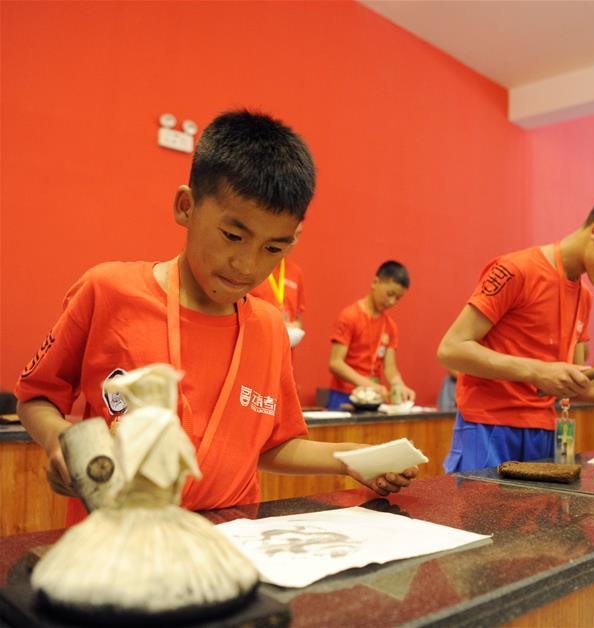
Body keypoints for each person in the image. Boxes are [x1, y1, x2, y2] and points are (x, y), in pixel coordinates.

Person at [15, 110, 416, 526]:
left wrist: (353, 458)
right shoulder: (108, 292)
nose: (247, 265)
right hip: (119, 540)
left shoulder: (270, 328)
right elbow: (36, 397)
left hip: (227, 542)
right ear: (186, 206)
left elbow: (272, 445)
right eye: (233, 236)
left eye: (273, 249)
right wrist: (61, 441)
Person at [437, 181, 594, 472]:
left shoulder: (583, 297)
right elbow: (451, 349)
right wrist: (537, 371)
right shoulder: (515, 270)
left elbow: (574, 388)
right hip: (487, 428)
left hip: (544, 433)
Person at [327, 261, 415, 409]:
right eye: (390, 294)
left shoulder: (390, 326)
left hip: (373, 398)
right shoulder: (350, 316)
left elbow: (390, 369)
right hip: (344, 395)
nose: (392, 301)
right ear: (375, 282)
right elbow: (335, 363)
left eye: (398, 298)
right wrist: (368, 385)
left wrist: (400, 386)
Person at [249, 255, 306, 347]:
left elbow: (298, 319)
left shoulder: (295, 272)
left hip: (285, 347)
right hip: (255, 342)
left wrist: (294, 327)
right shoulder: (252, 267)